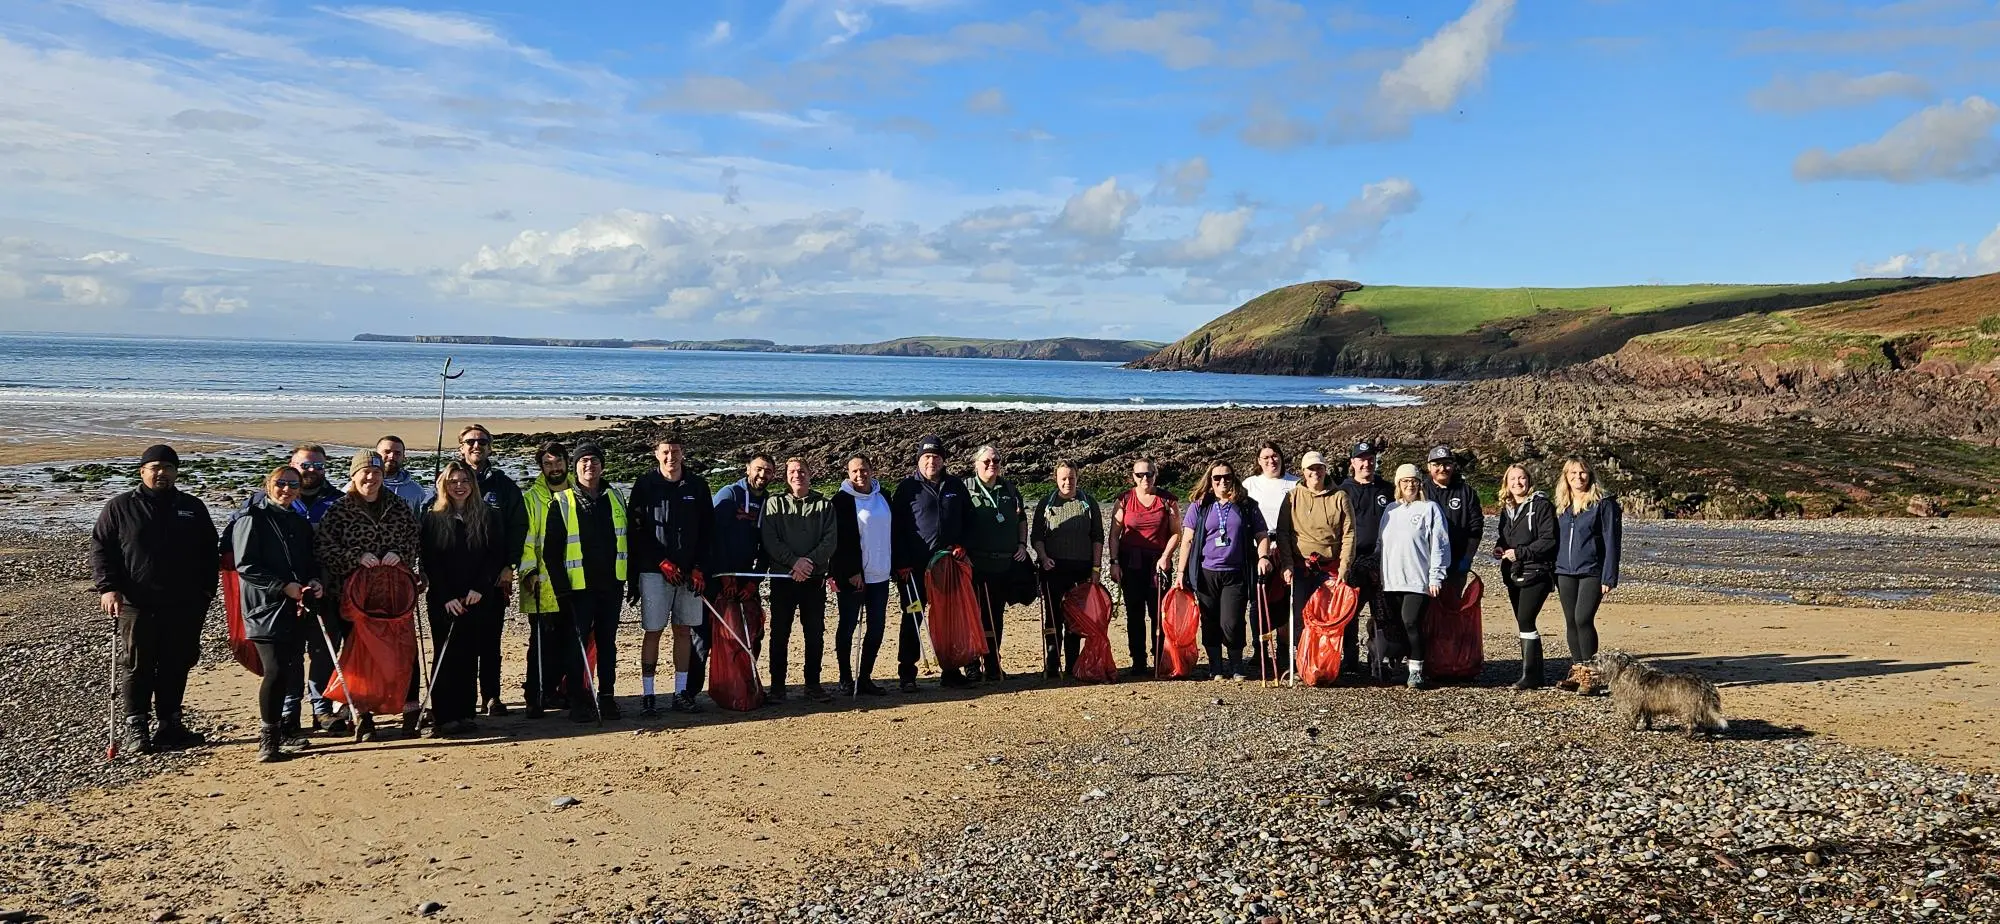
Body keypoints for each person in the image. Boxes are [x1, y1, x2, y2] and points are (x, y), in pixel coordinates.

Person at [90, 444, 220, 756]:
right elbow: (101, 549)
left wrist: (206, 592)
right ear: (142, 471)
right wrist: (108, 588)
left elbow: (209, 550)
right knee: (138, 664)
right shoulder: (121, 507)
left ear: (176, 472)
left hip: (185, 603)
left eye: (168, 468)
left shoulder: (192, 507)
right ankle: (137, 726)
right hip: (137, 602)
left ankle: (170, 724)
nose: (161, 473)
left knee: (178, 662)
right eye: (155, 467)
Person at [315, 449, 423, 739]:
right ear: (354, 475)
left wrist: (398, 554)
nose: (371, 478)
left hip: (394, 596)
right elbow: (324, 548)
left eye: (376, 472)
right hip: (353, 599)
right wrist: (355, 557)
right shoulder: (339, 509)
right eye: (365, 472)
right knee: (360, 657)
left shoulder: (398, 506)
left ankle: (411, 712)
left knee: (404, 654)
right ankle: (362, 715)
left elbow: (414, 538)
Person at [242, 444, 341, 731]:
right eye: (305, 465)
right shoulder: (256, 508)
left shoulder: (337, 501)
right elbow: (238, 554)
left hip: (325, 590)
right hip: (277, 598)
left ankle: (322, 709)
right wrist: (280, 586)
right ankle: (288, 712)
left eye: (318, 466)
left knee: (324, 651)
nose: (312, 471)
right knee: (289, 657)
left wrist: (316, 580)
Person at [228, 465, 323, 762]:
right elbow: (246, 566)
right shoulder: (251, 519)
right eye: (281, 483)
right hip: (264, 609)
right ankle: (268, 740)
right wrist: (282, 587)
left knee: (291, 668)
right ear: (268, 485)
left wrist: (315, 581)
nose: (287, 489)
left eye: (293, 484)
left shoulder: (299, 521)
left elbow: (310, 561)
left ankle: (283, 732)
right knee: (275, 670)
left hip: (297, 607)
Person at [420, 461, 510, 736]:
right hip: (444, 599)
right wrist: (447, 596)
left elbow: (495, 556)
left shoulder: (488, 516)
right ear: (444, 486)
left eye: (464, 481)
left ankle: (465, 713)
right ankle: (444, 714)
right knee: (446, 655)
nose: (459, 486)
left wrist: (480, 588)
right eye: (453, 482)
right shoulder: (432, 518)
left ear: (473, 485)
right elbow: (430, 561)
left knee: (470, 655)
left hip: (476, 597)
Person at [541, 442, 629, 722]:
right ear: (574, 467)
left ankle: (607, 697)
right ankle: (578, 700)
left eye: (594, 460)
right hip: (577, 589)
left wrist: (632, 582)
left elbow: (629, 540)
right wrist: (561, 589)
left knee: (607, 644)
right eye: (583, 462)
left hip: (611, 585)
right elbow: (550, 552)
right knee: (575, 645)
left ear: (602, 465)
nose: (589, 466)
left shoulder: (615, 497)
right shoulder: (563, 501)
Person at [626, 437, 712, 715]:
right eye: (665, 452)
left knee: (684, 631)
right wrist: (660, 561)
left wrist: (700, 567)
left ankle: (681, 692)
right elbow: (636, 530)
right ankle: (649, 695)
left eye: (675, 452)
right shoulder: (644, 485)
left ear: (683, 454)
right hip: (654, 572)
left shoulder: (697, 486)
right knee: (653, 631)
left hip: (689, 574)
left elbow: (707, 531)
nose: (670, 457)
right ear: (656, 454)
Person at [450, 425, 528, 717]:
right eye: (470, 442)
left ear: (490, 447)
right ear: (461, 447)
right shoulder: (449, 480)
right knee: (461, 640)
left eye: (482, 441)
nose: (476, 446)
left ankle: (492, 696)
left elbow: (519, 527)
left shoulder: (503, 486)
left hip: (494, 576)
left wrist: (510, 566)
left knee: (490, 639)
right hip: (459, 576)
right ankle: (464, 696)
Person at [1171, 461, 1271, 681]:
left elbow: (1262, 534)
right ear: (1210, 481)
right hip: (1207, 573)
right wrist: (1180, 573)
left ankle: (1236, 665)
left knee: (1232, 621)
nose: (1222, 482)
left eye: (1227, 477)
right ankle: (1216, 666)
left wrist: (1263, 557)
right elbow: (1186, 540)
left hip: (1236, 572)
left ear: (1233, 478)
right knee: (1210, 620)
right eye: (1217, 478)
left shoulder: (1246, 505)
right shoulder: (1200, 506)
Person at [890, 434, 970, 692]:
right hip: (913, 569)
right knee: (913, 616)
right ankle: (907, 674)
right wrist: (901, 563)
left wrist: (962, 544)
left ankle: (950, 670)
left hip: (947, 567)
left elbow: (969, 519)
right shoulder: (906, 488)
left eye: (936, 456)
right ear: (918, 460)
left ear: (943, 460)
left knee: (947, 619)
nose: (931, 461)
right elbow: (896, 529)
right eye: (926, 457)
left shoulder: (956, 486)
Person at [1271, 451, 1356, 682]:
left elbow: (1349, 535)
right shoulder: (1293, 496)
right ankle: (1302, 664)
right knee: (1300, 617)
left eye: (1319, 468)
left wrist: (1344, 569)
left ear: (1325, 470)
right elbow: (1283, 533)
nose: (1315, 473)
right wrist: (1286, 564)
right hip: (1301, 567)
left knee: (1327, 618)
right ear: (1303, 472)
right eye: (1310, 469)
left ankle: (1325, 663)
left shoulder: (1340, 497)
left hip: (1330, 567)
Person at [762, 457, 838, 701]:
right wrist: (793, 562)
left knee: (814, 632)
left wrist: (808, 563)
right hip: (783, 578)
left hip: (813, 579)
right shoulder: (774, 503)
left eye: (802, 471)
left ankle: (813, 684)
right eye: (793, 471)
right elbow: (770, 538)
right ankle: (777, 686)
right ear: (786, 476)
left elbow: (830, 540)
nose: (798, 475)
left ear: (810, 474)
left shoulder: (824, 505)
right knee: (779, 632)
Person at [707, 453, 774, 697]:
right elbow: (713, 537)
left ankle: (744, 682)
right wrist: (725, 576)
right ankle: (695, 691)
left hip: (747, 577)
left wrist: (754, 582)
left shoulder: (769, 502)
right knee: (709, 635)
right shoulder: (729, 494)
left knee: (753, 632)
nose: (762, 475)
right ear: (747, 469)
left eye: (767, 471)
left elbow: (767, 548)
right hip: (719, 575)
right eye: (758, 469)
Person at [1030, 462, 1104, 679]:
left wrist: (1096, 568)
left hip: (1080, 569)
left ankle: (1073, 663)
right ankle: (1052, 663)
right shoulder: (1046, 503)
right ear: (1056, 479)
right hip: (1053, 568)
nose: (1067, 482)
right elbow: (1036, 537)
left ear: (1077, 478)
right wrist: (1043, 558)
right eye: (1063, 478)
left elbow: (1097, 537)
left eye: (1071, 478)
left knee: (1075, 618)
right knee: (1053, 618)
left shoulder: (1088, 503)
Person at [1380, 463, 1449, 691]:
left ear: (1420, 483)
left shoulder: (1429, 508)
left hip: (1418, 579)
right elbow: (1382, 545)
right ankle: (1405, 667)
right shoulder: (1390, 509)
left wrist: (1436, 576)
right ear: (1398, 484)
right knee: (1399, 625)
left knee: (1411, 621)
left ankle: (1417, 672)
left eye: (1414, 481)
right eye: (1405, 481)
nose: (1410, 485)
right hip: (1391, 580)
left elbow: (1439, 544)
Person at [1554, 457, 1623, 687]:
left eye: (1582, 473)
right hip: (1564, 571)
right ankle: (1578, 671)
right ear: (1566, 477)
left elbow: (1612, 541)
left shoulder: (1603, 504)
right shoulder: (1562, 505)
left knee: (1583, 618)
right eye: (1572, 473)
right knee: (1571, 622)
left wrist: (1609, 576)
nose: (1578, 477)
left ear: (1590, 475)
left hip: (1592, 571)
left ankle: (1591, 675)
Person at [962, 445, 1028, 683]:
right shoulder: (966, 489)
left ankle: (992, 662)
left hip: (1002, 564)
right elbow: (955, 520)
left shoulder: (1010, 488)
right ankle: (971, 664)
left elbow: (1021, 518)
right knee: (973, 616)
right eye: (987, 461)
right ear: (976, 464)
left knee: (996, 616)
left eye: (997, 460)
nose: (992, 465)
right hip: (974, 563)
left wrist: (1022, 544)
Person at [1108, 456, 1178, 678]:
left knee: (1159, 613)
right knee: (1134, 614)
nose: (1145, 478)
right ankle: (1138, 661)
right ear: (1133, 477)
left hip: (1158, 563)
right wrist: (1114, 562)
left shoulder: (1167, 500)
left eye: (1149, 474)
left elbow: (1177, 532)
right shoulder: (1125, 500)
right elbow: (1114, 534)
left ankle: (1159, 658)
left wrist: (1166, 556)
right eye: (1140, 475)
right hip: (1131, 563)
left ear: (1156, 475)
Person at [518, 441, 572, 718]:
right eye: (548, 463)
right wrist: (528, 572)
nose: (554, 468)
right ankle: (534, 695)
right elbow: (526, 542)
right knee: (541, 643)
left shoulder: (579, 493)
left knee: (569, 641)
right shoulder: (531, 499)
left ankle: (559, 690)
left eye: (558, 462)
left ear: (566, 462)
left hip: (575, 580)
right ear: (541, 467)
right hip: (541, 582)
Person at [831, 453, 892, 696]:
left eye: (864, 469)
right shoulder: (841, 501)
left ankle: (865, 676)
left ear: (871, 469)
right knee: (847, 626)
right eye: (855, 471)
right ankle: (846, 677)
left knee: (876, 627)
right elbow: (838, 542)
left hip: (881, 573)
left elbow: (891, 532)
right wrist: (850, 571)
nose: (860, 475)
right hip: (854, 577)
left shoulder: (883, 496)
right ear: (848, 473)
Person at [1493, 463, 1558, 689]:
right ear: (1506, 484)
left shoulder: (1541, 506)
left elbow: (1549, 540)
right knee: (1523, 621)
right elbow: (1505, 538)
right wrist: (1500, 548)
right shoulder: (1507, 508)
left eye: (1521, 478)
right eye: (1512, 479)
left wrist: (1521, 552)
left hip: (1537, 571)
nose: (1517, 483)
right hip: (1513, 572)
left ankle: (1531, 674)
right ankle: (1532, 673)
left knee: (1526, 619)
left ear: (1529, 481)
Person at [1338, 440, 1397, 679]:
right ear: (1352, 462)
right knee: (1349, 613)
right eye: (1361, 459)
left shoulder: (1387, 489)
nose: (1366, 463)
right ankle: (1350, 661)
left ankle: (1378, 661)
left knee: (1383, 613)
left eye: (1370, 458)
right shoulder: (1343, 490)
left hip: (1383, 560)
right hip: (1353, 561)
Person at [1240, 442, 1297, 681]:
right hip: (1258, 548)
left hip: (1286, 547)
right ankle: (1260, 647)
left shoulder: (1294, 483)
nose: (1270, 461)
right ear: (1258, 460)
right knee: (1258, 599)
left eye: (1274, 456)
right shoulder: (1250, 484)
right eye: (1265, 457)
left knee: (1284, 599)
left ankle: (1284, 649)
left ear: (1281, 458)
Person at [1422, 445, 1484, 589]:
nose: (1442, 468)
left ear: (1453, 465)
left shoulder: (1466, 492)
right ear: (1429, 466)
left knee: (1453, 607)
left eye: (1447, 464)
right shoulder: (1421, 491)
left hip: (1456, 563)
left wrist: (1467, 558)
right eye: (1437, 464)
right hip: (1426, 563)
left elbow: (1476, 528)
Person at [376, 435, 427, 511]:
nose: (392, 456)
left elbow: (418, 520)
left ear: (403, 457)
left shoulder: (416, 491)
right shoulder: (361, 486)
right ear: (376, 454)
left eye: (397, 453)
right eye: (387, 452)